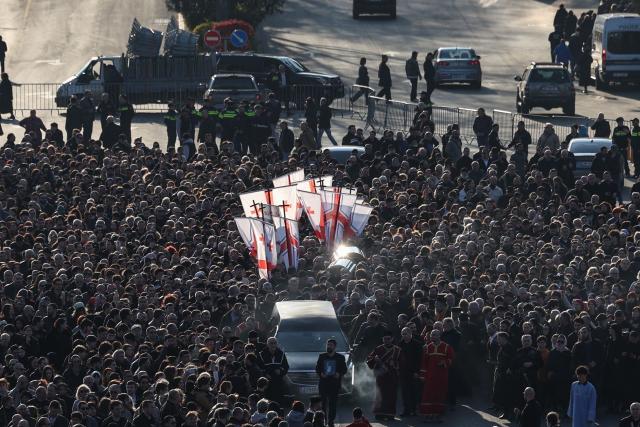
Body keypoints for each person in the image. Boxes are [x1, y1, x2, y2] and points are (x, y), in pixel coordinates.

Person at [419, 328, 454, 422]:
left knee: (440, 394)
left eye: (434, 335)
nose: (432, 336)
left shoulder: (447, 347)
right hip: (429, 376)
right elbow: (424, 363)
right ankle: (428, 414)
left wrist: (444, 362)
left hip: (441, 376)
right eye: (431, 335)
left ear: (439, 336)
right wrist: (422, 375)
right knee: (428, 394)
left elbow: (451, 359)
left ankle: (438, 415)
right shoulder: (427, 347)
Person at [366, 329, 400, 421]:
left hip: (392, 376)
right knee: (380, 394)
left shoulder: (397, 350)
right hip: (381, 376)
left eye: (388, 339)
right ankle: (379, 414)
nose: (386, 341)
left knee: (391, 395)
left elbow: (402, 363)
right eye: (385, 339)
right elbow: (369, 360)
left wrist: (395, 364)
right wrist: (374, 360)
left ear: (392, 339)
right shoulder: (378, 349)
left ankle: (390, 414)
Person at [315, 338, 347, 427]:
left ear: (335, 347)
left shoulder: (340, 357)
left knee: (333, 404)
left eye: (331, 345)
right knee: (323, 404)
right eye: (327, 345)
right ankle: (323, 420)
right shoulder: (322, 356)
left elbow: (344, 369)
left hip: (334, 384)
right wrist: (321, 373)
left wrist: (339, 374)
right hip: (323, 384)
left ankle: (331, 421)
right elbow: (317, 368)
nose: (328, 347)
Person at [397, 326, 423, 417]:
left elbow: (419, 359)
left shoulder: (417, 344)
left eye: (406, 333)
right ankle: (406, 410)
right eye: (403, 334)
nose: (404, 335)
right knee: (404, 392)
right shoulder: (400, 344)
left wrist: (417, 371)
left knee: (413, 391)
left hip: (413, 371)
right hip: (403, 372)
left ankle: (414, 409)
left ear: (410, 334)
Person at [258, 337, 290, 405]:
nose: (273, 345)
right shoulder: (261, 354)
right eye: (271, 343)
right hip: (267, 383)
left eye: (274, 343)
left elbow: (286, 367)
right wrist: (265, 374)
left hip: (278, 382)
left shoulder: (281, 354)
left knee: (278, 402)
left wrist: (281, 371)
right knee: (268, 401)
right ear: (267, 344)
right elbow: (259, 368)